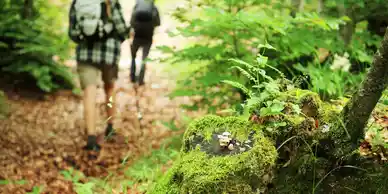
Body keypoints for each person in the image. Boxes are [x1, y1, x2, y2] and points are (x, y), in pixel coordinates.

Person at [68, 0, 129, 151]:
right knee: (109, 89)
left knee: (90, 92)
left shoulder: (79, 2)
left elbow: (72, 33)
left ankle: (91, 137)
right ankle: (110, 125)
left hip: (85, 54)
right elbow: (122, 29)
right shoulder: (110, 1)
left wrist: (87, 37)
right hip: (109, 54)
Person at [129, 0, 161, 85]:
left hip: (137, 34)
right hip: (148, 35)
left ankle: (132, 77)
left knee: (133, 56)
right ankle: (140, 80)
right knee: (144, 58)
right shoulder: (153, 7)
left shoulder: (137, 5)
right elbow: (158, 23)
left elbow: (131, 21)